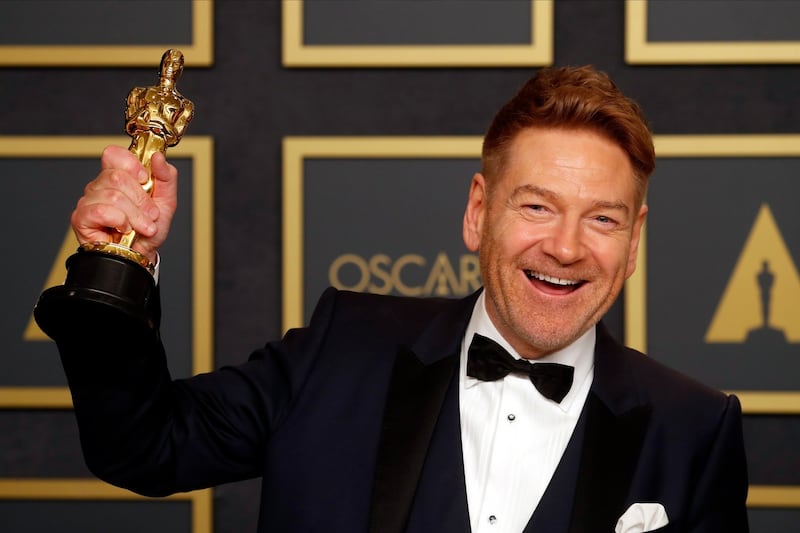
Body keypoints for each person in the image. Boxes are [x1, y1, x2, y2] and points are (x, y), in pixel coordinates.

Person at [54, 65, 749, 532]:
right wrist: (119, 262)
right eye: (536, 206)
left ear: (634, 242)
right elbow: (143, 445)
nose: (566, 247)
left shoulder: (693, 428)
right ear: (479, 212)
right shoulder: (343, 348)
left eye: (602, 217)